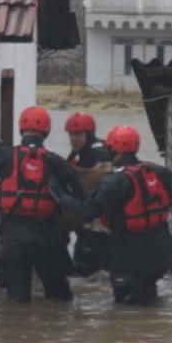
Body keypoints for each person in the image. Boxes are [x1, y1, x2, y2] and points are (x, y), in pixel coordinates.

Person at [0, 106, 84, 302]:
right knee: (59, 299)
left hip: (14, 238)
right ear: (47, 131)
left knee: (17, 300)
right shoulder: (56, 161)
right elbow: (79, 195)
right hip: (48, 238)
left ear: (21, 129)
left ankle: (17, 330)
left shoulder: (4, 155)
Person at [54, 125, 172, 305]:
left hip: (130, 254)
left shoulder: (116, 181)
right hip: (160, 252)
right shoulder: (159, 172)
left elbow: (87, 212)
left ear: (115, 149)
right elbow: (171, 195)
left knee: (127, 312)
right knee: (150, 302)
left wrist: (61, 195)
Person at [63, 112, 113, 277]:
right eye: (71, 135)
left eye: (78, 134)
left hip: (99, 229)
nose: (73, 139)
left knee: (86, 272)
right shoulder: (77, 155)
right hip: (89, 227)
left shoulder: (101, 154)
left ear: (89, 134)